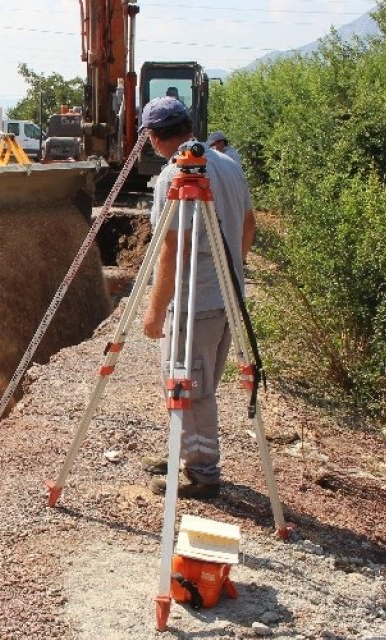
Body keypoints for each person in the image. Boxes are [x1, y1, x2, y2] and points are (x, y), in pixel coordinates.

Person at [139, 97, 256, 500]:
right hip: (227, 297)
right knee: (194, 384)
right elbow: (248, 223)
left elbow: (173, 247)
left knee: (189, 387)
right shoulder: (227, 164)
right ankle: (183, 452)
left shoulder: (175, 176)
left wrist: (155, 311)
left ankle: (202, 473)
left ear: (154, 138)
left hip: (196, 303)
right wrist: (231, 269)